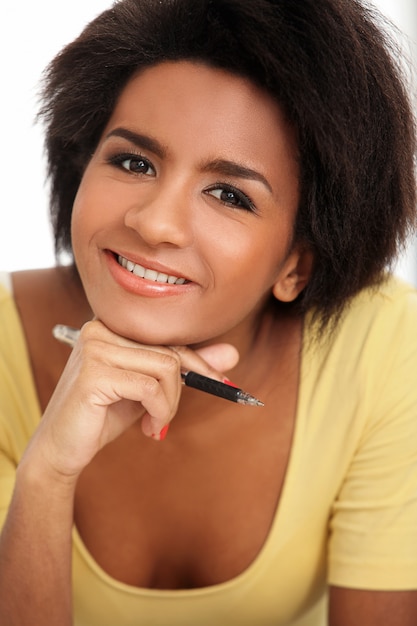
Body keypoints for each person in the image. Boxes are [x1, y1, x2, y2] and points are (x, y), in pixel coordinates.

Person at [0, 0, 416, 623]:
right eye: (133, 162)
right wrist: (46, 476)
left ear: (296, 265)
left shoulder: (388, 351)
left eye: (229, 195)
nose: (155, 222)